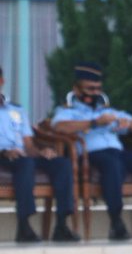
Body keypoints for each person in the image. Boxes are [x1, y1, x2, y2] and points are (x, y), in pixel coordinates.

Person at [51, 63, 132, 240]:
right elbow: (59, 127)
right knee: (112, 165)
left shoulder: (109, 111)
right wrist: (94, 123)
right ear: (76, 90)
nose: (94, 93)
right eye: (89, 89)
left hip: (118, 151)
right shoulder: (67, 111)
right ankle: (116, 222)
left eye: (97, 89)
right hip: (90, 155)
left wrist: (131, 125)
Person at [0, 65, 78, 243]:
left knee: (62, 163)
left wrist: (41, 152)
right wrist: (5, 152)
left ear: (2, 82)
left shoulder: (17, 110)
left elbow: (28, 143)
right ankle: (24, 226)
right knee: (25, 163)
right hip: (3, 156)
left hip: (22, 155)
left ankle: (61, 225)